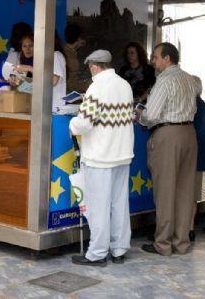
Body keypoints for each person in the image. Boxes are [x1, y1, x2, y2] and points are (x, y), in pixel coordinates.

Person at [69, 49, 135, 266]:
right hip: (122, 154)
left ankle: (96, 253)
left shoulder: (96, 87)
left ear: (94, 66)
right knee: (119, 204)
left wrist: (72, 124)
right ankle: (119, 249)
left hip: (100, 156)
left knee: (98, 207)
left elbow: (85, 123)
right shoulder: (124, 85)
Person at [136, 42, 201, 256]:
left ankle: (162, 243)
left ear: (166, 59)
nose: (153, 61)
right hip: (188, 134)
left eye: (155, 57)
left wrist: (140, 116)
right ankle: (181, 241)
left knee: (165, 190)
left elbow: (152, 114)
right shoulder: (189, 79)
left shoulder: (164, 80)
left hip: (168, 135)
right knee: (184, 191)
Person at [13, 32, 66, 111]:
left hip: (54, 109)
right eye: (24, 46)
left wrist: (30, 68)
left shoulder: (55, 55)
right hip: (40, 109)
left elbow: (53, 81)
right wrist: (16, 82)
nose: (27, 49)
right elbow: (35, 86)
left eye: (31, 45)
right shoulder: (39, 60)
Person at [190, 76, 205, 242]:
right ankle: (189, 227)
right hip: (199, 155)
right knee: (193, 195)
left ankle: (188, 227)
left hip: (193, 156)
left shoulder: (193, 106)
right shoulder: (202, 106)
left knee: (188, 194)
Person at [63, 23, 89, 93]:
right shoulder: (69, 55)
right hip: (69, 92)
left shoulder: (65, 50)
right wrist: (87, 84)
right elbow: (71, 83)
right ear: (78, 38)